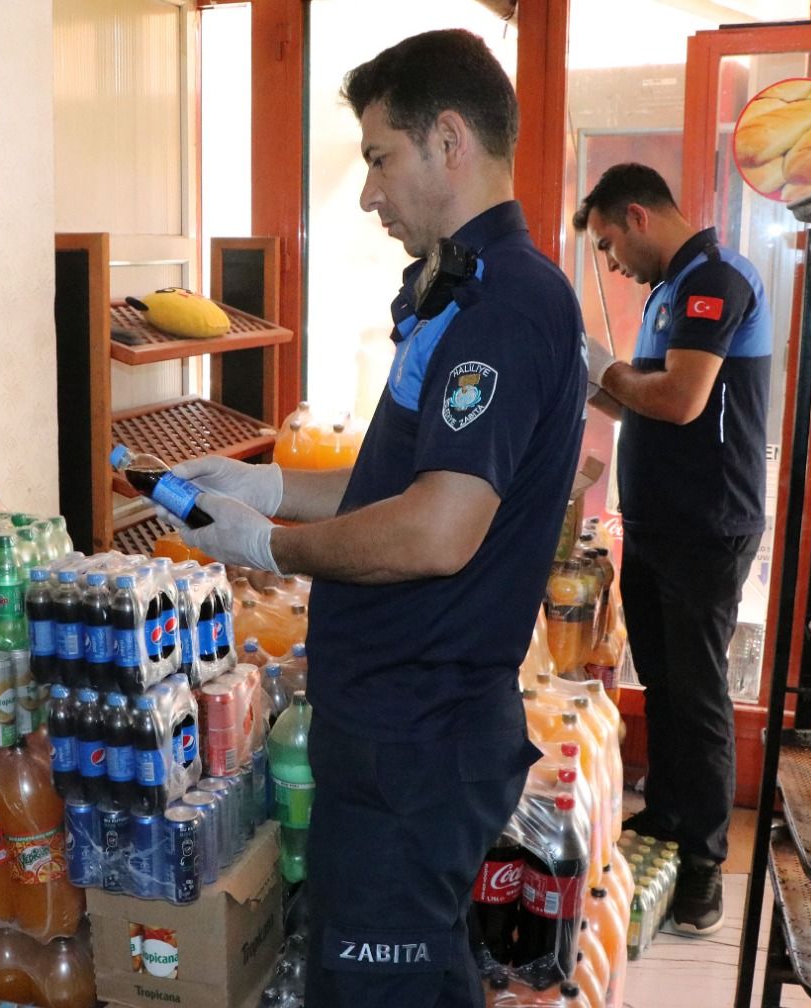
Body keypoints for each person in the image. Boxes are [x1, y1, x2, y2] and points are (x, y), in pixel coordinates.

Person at [157, 29, 584, 1008]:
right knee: (406, 972)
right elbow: (394, 481)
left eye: (379, 158)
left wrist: (269, 546)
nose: (367, 194)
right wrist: (269, 486)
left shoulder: (506, 308)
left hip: (419, 738)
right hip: (397, 728)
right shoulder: (458, 296)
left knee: (383, 987)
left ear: (448, 141)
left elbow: (434, 530)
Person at [574, 162, 770, 936]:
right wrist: (586, 376)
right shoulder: (666, 294)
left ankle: (704, 863)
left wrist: (609, 368)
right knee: (659, 681)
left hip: (706, 525)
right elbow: (641, 406)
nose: (612, 262)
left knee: (697, 693)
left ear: (638, 215)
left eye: (609, 243)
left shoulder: (716, 280)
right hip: (657, 522)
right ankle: (665, 814)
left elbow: (682, 400)